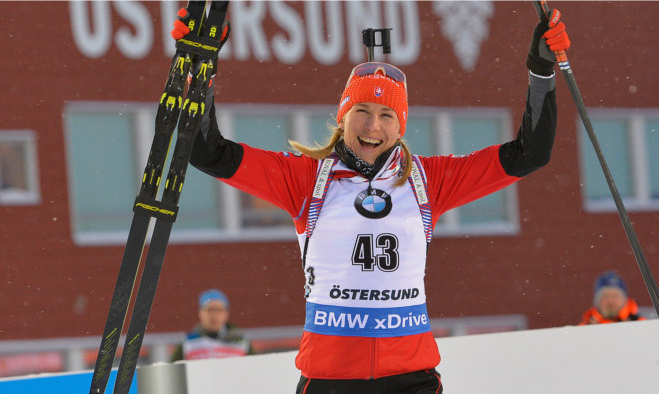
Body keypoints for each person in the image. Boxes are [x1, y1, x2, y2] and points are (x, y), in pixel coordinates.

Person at [171, 7, 570, 394]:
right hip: (329, 380)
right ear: (342, 116)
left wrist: (541, 71)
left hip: (410, 378)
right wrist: (201, 67)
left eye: (387, 115)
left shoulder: (429, 180)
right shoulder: (308, 178)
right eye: (361, 110)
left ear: (401, 125)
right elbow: (210, 153)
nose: (372, 126)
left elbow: (529, 154)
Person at [170, 289, 252, 361]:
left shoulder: (240, 341)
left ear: (226, 313)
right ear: (200, 313)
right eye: (209, 310)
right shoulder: (188, 342)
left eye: (218, 310)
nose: (214, 316)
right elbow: (172, 372)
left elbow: (256, 369)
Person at [579, 271, 647, 325]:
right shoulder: (583, 330)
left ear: (624, 300)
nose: (610, 300)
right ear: (597, 301)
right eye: (605, 296)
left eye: (615, 296)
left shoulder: (641, 325)